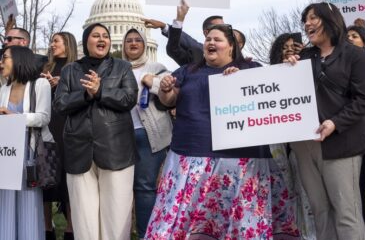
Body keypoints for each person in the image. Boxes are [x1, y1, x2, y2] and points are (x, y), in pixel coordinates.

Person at [145, 24, 300, 239]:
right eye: (208, 38)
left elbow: (277, 94)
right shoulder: (188, 71)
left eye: (217, 39)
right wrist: (165, 90)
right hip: (192, 158)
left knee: (237, 224)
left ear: (231, 47)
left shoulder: (251, 69)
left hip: (241, 161)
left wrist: (288, 69)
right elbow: (169, 100)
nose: (210, 42)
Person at [287, 2, 365, 240]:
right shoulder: (303, 57)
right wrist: (288, 68)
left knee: (347, 214)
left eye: (313, 18)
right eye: (305, 20)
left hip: (341, 143)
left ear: (330, 19)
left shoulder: (356, 57)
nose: (307, 24)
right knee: (320, 213)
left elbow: (364, 100)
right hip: (306, 146)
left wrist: (335, 122)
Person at [53, 23, 138, 240]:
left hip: (115, 149)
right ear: (86, 40)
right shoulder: (70, 70)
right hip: (78, 149)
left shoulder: (122, 67)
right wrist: (85, 95)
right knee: (84, 218)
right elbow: (60, 104)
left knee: (116, 216)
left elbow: (129, 98)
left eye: (105, 36)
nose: (102, 39)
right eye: (96, 35)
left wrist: (101, 91)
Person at [122, 27, 173, 239]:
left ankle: (146, 234)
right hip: (120, 136)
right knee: (121, 189)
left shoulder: (157, 67)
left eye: (137, 40)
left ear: (145, 45)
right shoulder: (117, 68)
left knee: (144, 188)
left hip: (148, 135)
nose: (133, 44)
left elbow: (170, 88)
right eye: (129, 41)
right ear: (123, 46)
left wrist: (152, 83)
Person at [0, 46, 52, 240]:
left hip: (30, 153)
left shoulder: (40, 84)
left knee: (29, 205)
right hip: (7, 152)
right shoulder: (4, 88)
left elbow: (43, 117)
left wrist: (15, 116)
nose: (1, 62)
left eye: (4, 57)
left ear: (19, 59)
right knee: (5, 204)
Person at [269, 33, 316, 240]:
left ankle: (309, 234)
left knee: (306, 188)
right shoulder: (264, 76)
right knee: (283, 187)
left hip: (302, 138)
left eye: (293, 46)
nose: (289, 50)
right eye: (284, 47)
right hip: (277, 141)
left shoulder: (309, 70)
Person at [41, 32, 78, 240]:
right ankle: (47, 229)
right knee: (46, 182)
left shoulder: (76, 68)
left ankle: (71, 230)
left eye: (56, 41)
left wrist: (61, 82)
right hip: (48, 127)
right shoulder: (44, 67)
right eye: (52, 41)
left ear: (67, 44)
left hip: (69, 128)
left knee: (68, 182)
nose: (52, 44)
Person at [143, 0, 224, 65]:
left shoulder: (234, 55)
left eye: (225, 27)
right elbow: (176, 48)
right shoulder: (197, 55)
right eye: (220, 27)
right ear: (206, 33)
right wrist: (175, 21)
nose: (225, 30)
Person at [347, 25, 365, 235]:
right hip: (354, 141)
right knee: (356, 198)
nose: (350, 39)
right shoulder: (341, 70)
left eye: (355, 36)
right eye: (347, 37)